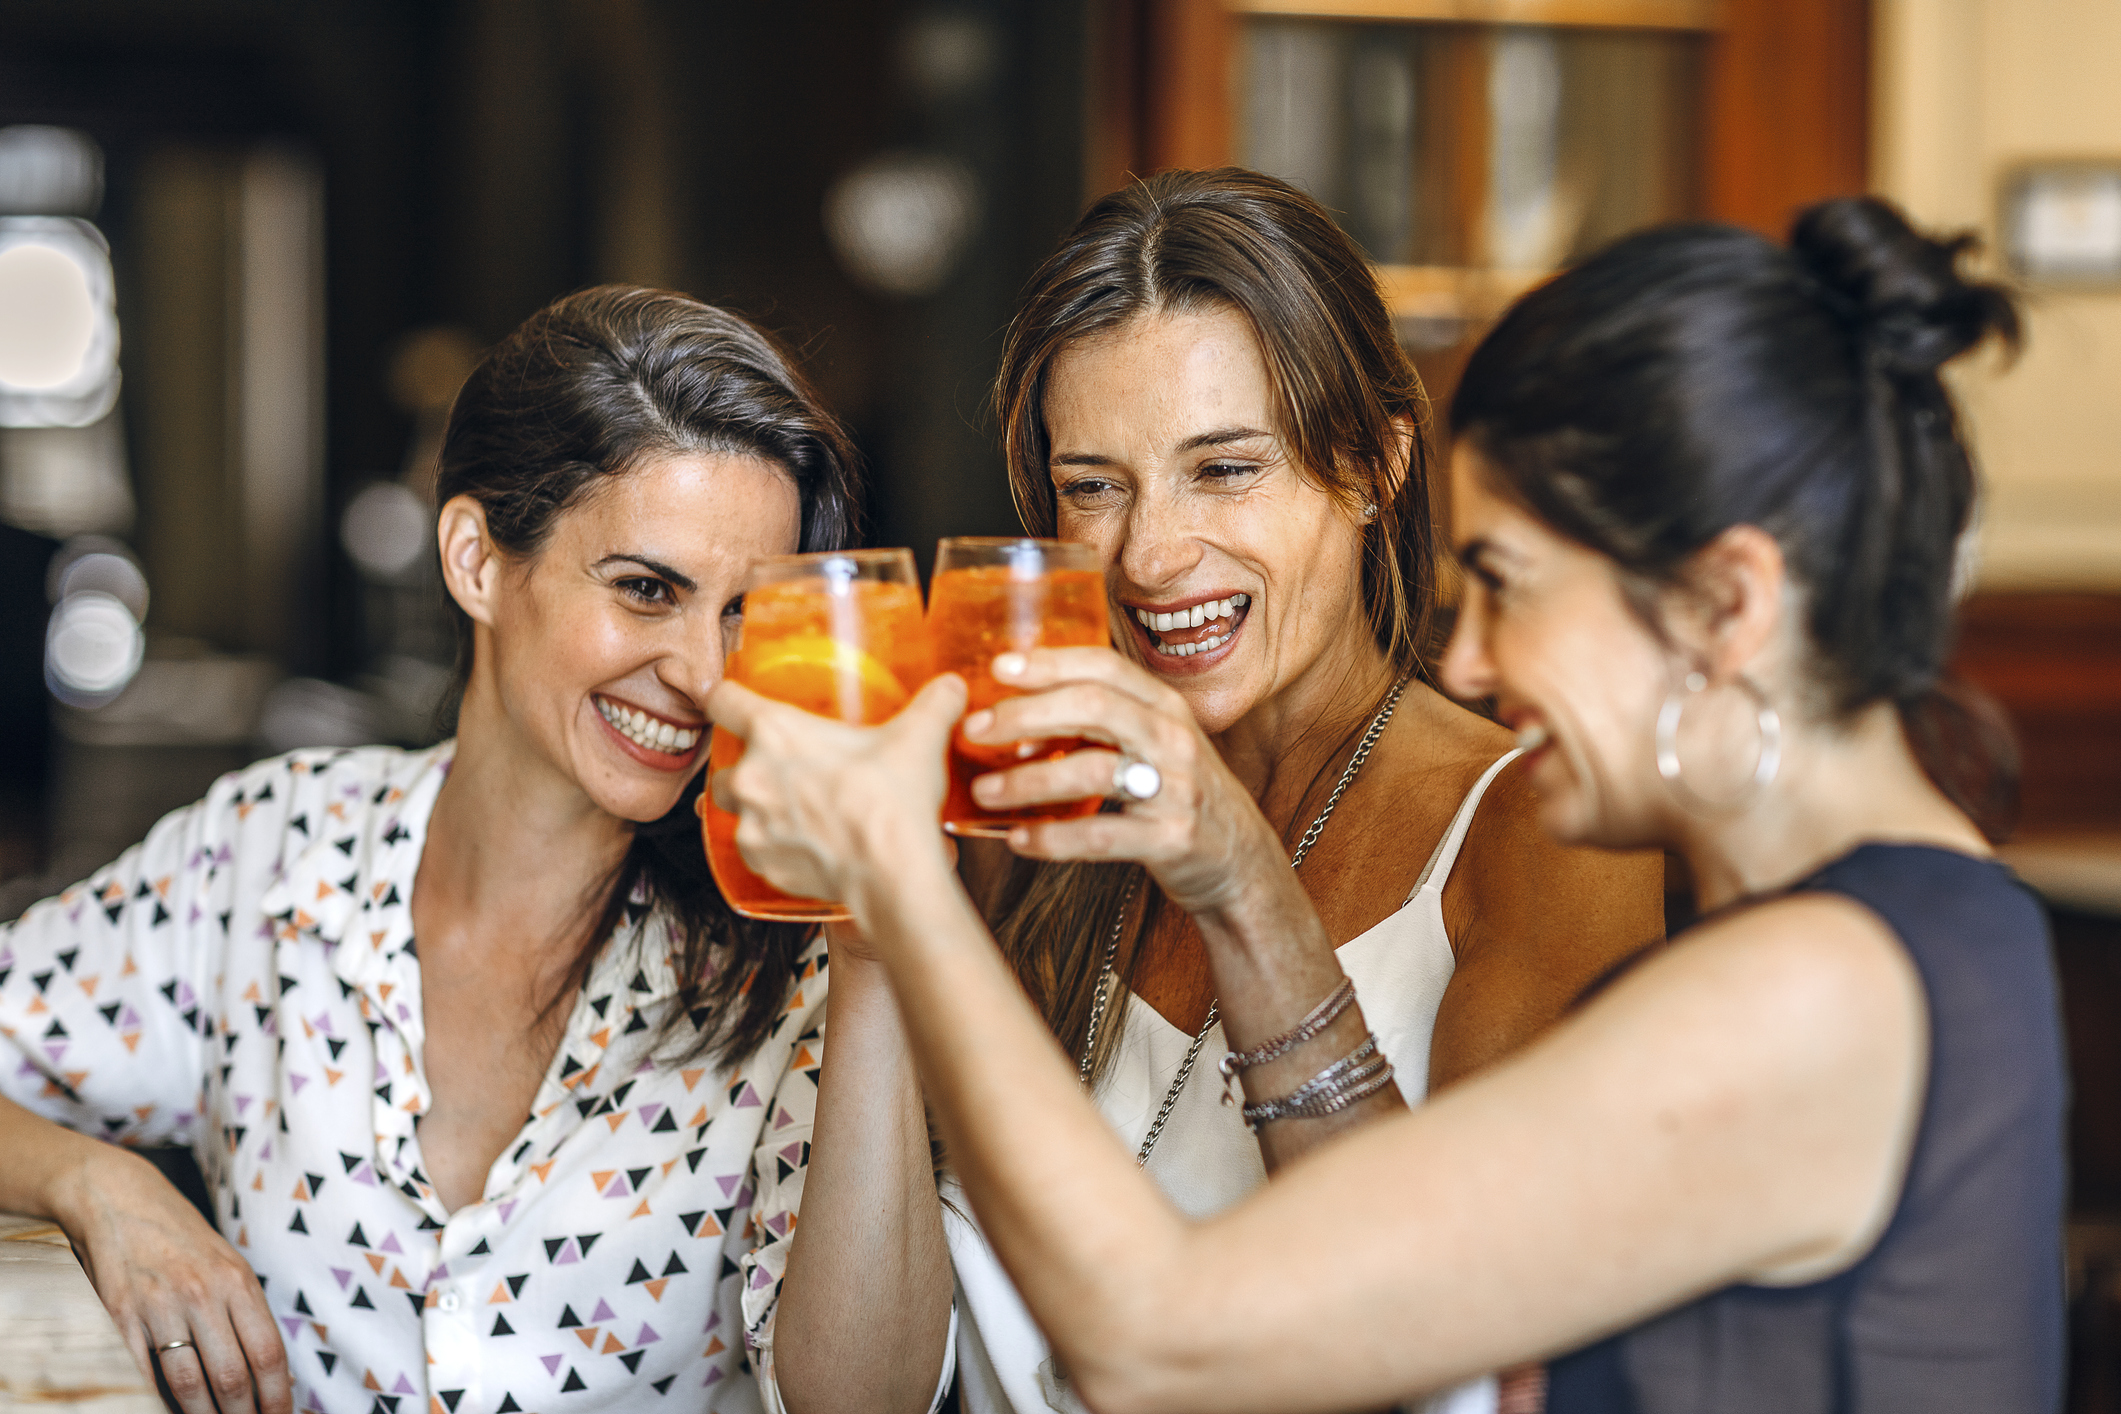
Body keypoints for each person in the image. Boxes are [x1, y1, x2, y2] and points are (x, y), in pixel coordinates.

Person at [707, 195, 2065, 1413]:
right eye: (1091, 486)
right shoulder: (1907, 930)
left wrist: (898, 881)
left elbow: (1163, 1339)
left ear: (1727, 604)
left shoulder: (1816, 986)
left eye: (1507, 578)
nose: (1466, 656)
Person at [769, 167, 1664, 1414]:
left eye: (1223, 469)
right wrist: (874, 939)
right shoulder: (1013, 832)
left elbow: (1466, 1345)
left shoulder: (1540, 833)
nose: (1149, 554)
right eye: (1095, 484)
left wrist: (1242, 875)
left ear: (1372, 464)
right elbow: (853, 1398)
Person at [0, 287, 949, 1414]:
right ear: (476, 559)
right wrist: (101, 1186)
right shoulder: (270, 854)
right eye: (647, 590)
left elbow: (865, 1404)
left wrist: (881, 948)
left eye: (746, 614)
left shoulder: (797, 961)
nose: (706, 674)